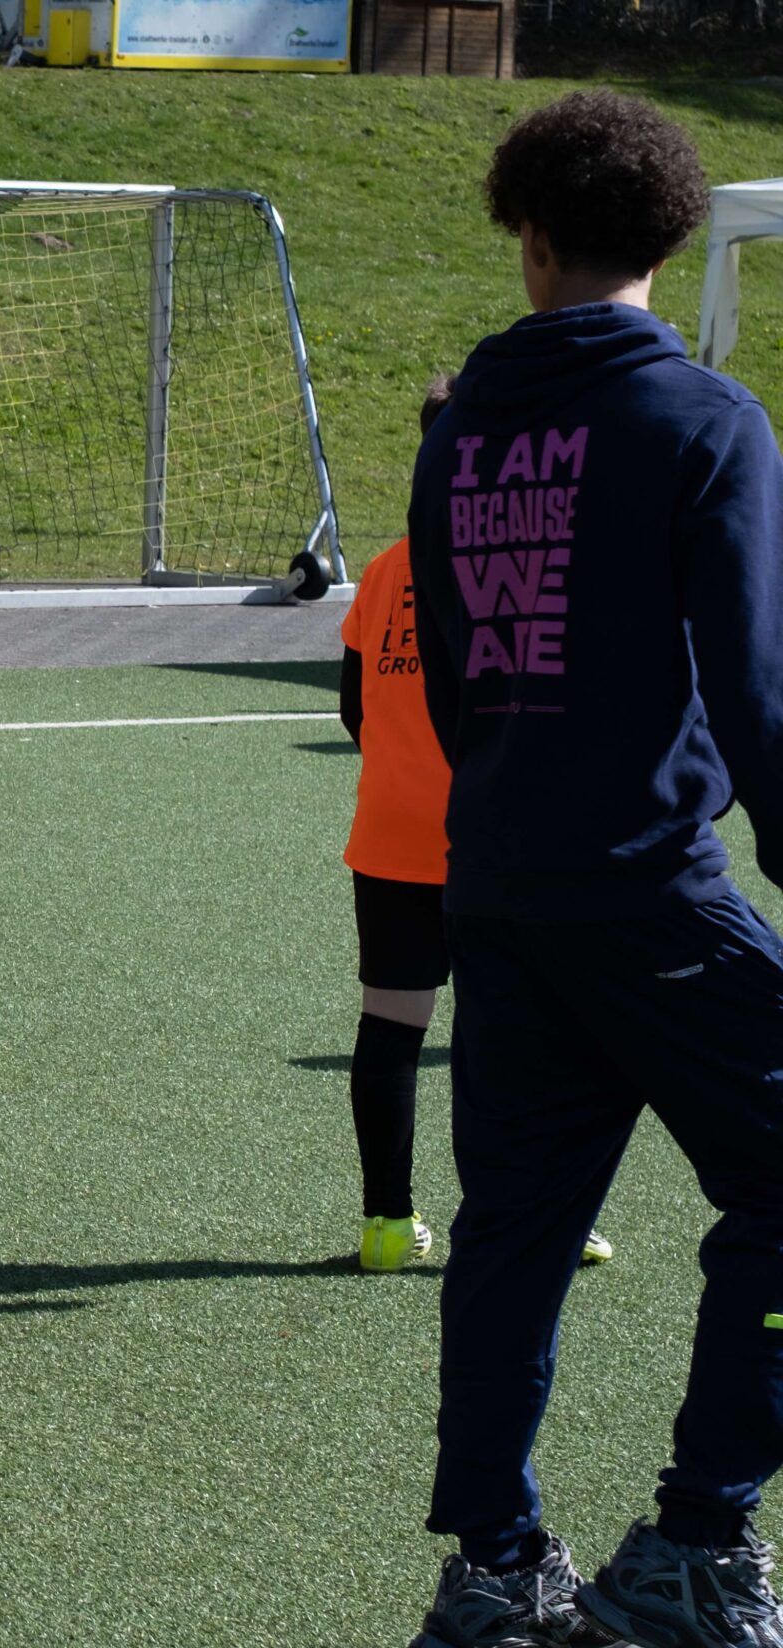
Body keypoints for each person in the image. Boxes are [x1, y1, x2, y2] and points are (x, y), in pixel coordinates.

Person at [403, 91, 783, 1648]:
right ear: (671, 239)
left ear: (532, 237)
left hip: (499, 879)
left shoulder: (461, 428)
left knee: (515, 1232)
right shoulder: (705, 419)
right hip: (648, 888)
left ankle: (492, 1572)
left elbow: (449, 679)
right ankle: (698, 1536)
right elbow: (756, 685)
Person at [339, 376, 612, 1275]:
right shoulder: (519, 562)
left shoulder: (385, 568)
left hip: (389, 836)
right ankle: (535, 1217)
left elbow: (353, 710)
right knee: (519, 1035)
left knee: (391, 1025)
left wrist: (407, 770)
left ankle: (386, 1224)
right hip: (494, 837)